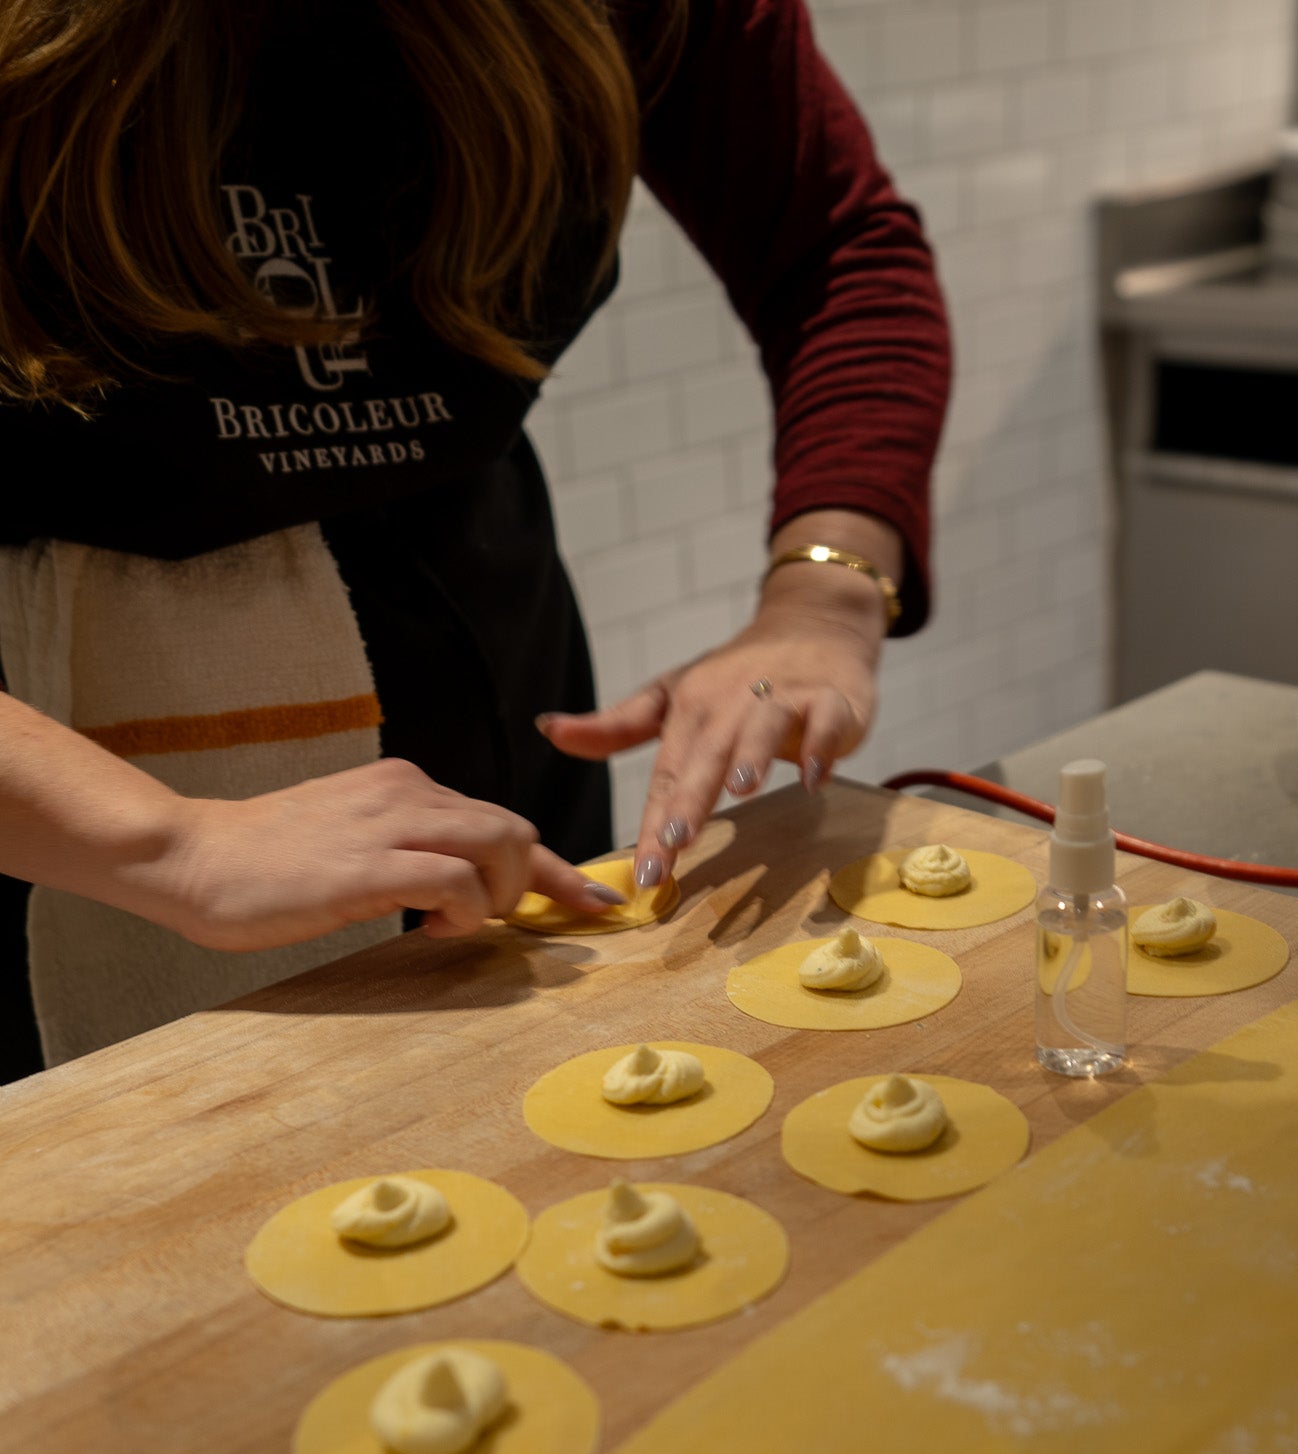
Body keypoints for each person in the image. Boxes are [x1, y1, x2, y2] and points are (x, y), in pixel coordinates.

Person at [0, 0, 950, 1079]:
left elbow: (833, 249)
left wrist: (823, 596)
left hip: (477, 645)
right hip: (43, 773)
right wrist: (164, 841)